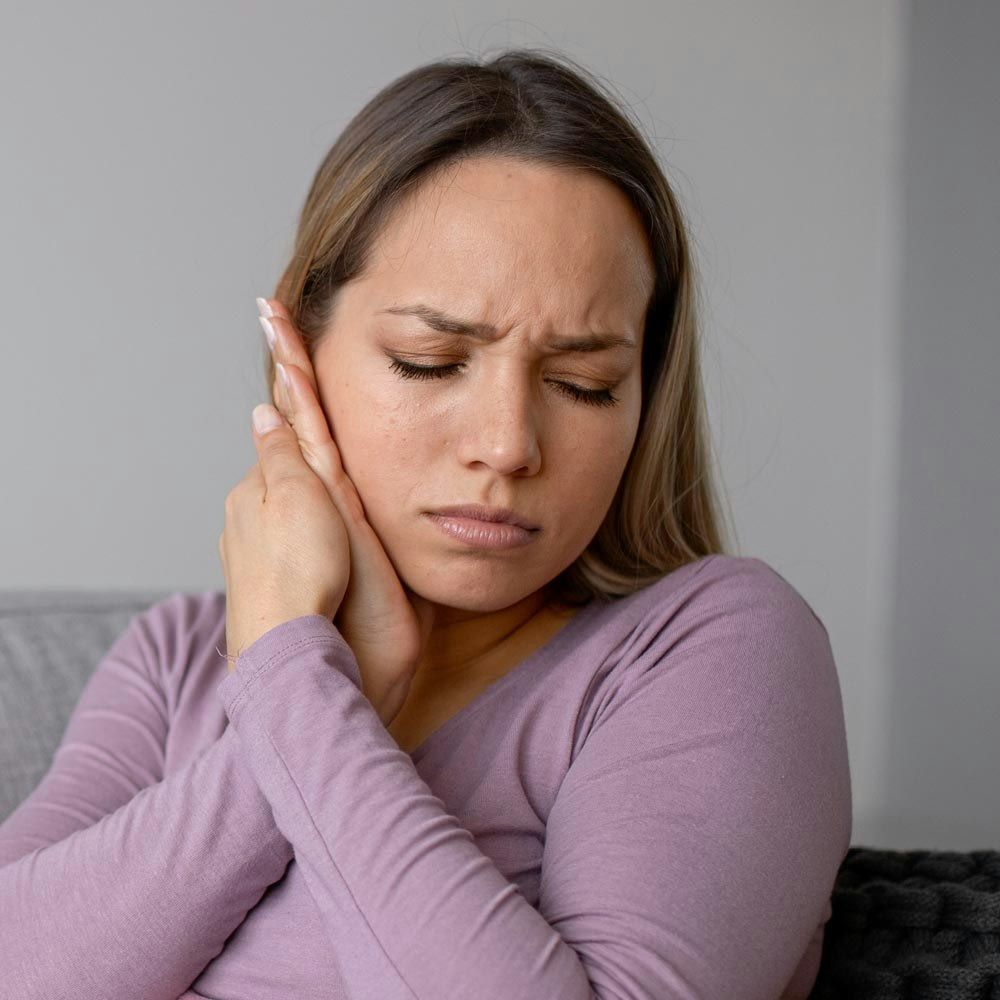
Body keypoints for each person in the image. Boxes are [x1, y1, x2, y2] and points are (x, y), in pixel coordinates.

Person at [0, 48, 851, 1000]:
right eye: (430, 360)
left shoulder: (710, 647)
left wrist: (294, 683)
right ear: (299, 360)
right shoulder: (178, 659)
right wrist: (318, 679)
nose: (507, 446)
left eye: (584, 384)